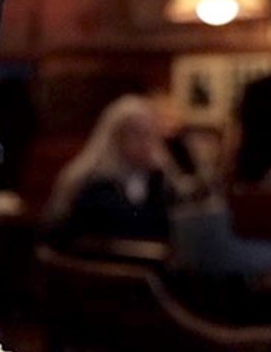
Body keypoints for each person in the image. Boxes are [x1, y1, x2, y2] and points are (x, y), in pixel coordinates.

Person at [45, 94, 192, 247]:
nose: (145, 142)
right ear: (114, 137)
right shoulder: (92, 182)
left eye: (149, 133)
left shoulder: (159, 180)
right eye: (135, 133)